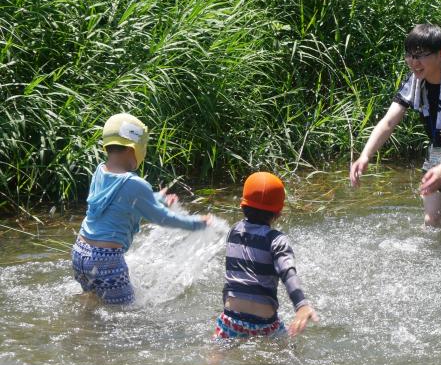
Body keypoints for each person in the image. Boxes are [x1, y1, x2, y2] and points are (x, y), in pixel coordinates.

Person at [350, 24, 441, 234]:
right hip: (437, 153)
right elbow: (388, 122)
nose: (413, 62)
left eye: (419, 56)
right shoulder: (415, 82)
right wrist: (365, 156)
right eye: (409, 55)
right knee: (432, 223)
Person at [71, 113, 211, 305]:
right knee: (124, 314)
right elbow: (163, 218)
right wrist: (195, 224)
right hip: (106, 260)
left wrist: (156, 198)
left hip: (80, 251)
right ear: (133, 149)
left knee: (93, 301)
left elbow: (118, 201)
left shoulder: (100, 170)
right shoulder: (135, 183)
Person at [213, 172, 318, 339]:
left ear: (242, 205)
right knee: (290, 350)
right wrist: (301, 305)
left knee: (216, 352)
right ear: (278, 213)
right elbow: (288, 272)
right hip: (265, 325)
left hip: (231, 319)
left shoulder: (233, 232)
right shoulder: (277, 240)